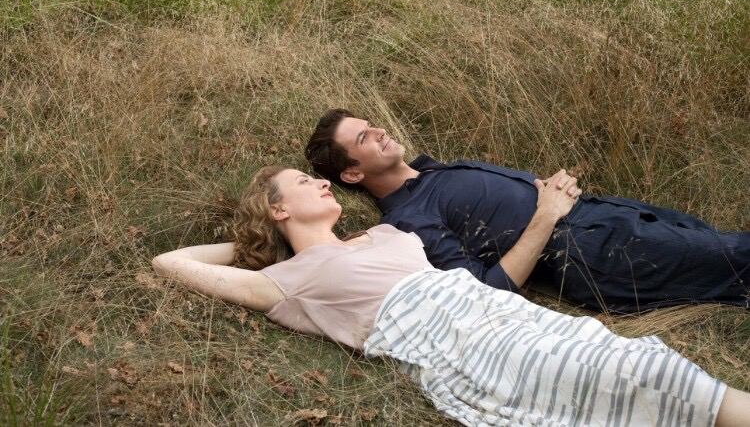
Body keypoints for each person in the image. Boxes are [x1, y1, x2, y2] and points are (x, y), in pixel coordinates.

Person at [151, 166, 750, 426]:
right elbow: (169, 263)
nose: (322, 182)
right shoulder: (289, 280)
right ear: (279, 209)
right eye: (304, 183)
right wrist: (257, 241)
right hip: (450, 341)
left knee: (637, 357)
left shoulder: (389, 232)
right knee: (626, 375)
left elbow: (485, 280)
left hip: (496, 310)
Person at [304, 109, 750, 314]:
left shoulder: (431, 171)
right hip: (593, 253)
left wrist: (555, 189)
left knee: (721, 253)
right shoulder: (408, 221)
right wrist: (547, 214)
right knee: (737, 256)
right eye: (363, 138)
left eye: (370, 124)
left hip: (603, 214)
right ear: (353, 174)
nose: (379, 131)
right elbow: (486, 290)